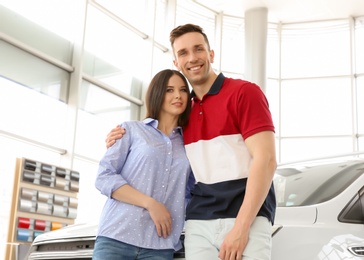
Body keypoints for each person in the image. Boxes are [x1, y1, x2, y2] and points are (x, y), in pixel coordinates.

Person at [106, 24, 277, 260]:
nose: (192, 58)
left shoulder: (244, 93)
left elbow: (266, 160)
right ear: (176, 63)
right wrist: (123, 135)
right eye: (183, 53)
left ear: (211, 54)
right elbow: (160, 143)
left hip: (246, 220)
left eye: (198, 49)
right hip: (198, 222)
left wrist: (241, 227)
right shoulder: (185, 114)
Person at [93, 69, 193, 260]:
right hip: (116, 237)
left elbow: (190, 193)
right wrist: (150, 204)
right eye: (169, 90)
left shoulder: (189, 145)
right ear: (157, 94)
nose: (178, 95)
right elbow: (104, 176)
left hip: (160, 245)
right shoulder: (131, 130)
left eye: (183, 90)